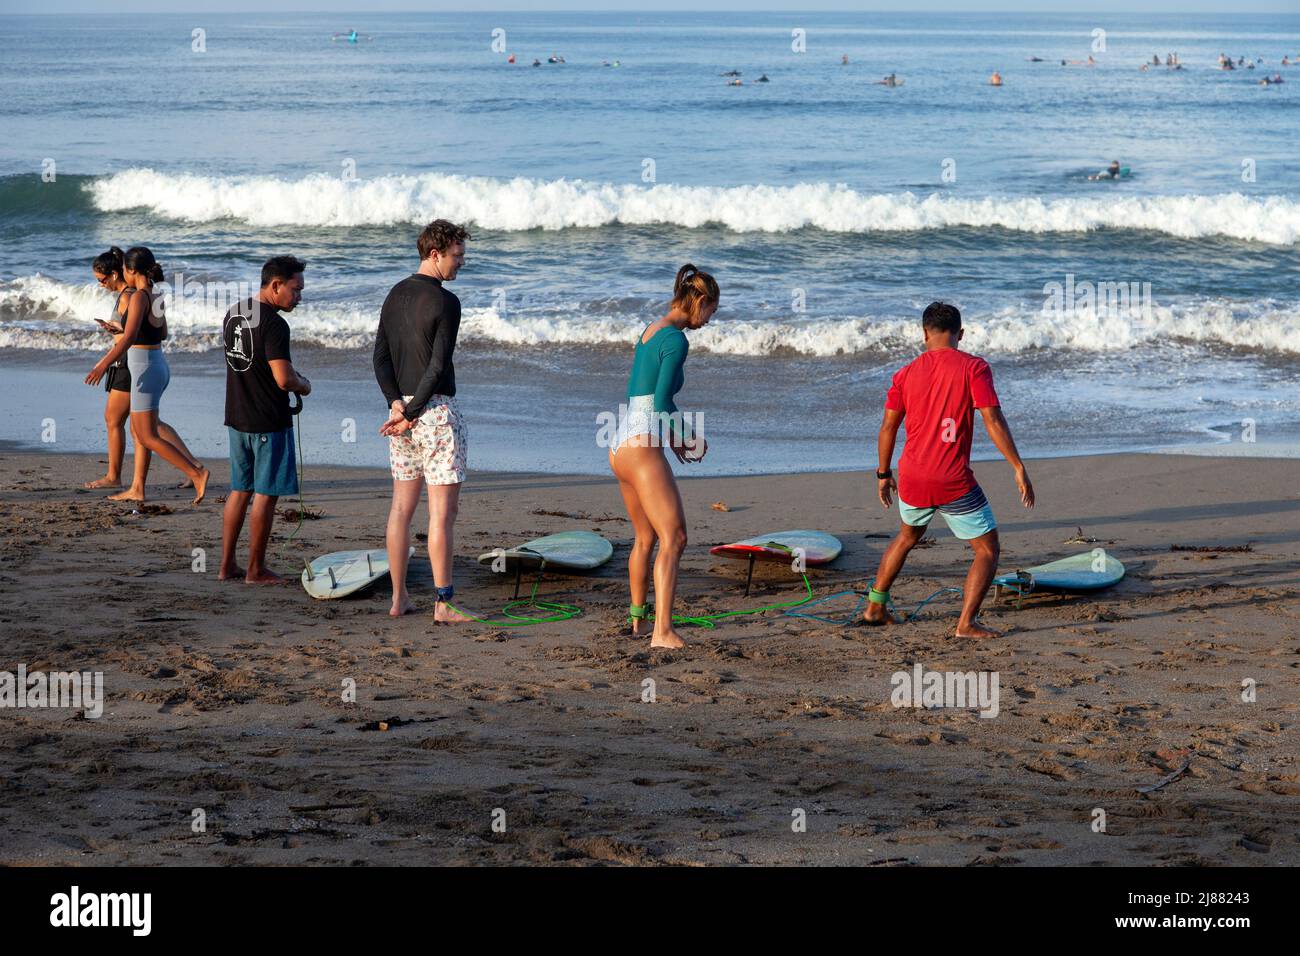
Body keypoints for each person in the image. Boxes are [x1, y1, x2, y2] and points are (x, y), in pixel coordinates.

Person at [863, 302, 1034, 639]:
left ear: (924, 334)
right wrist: (1017, 466)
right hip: (952, 480)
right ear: (961, 334)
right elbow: (992, 418)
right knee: (987, 549)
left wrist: (883, 475)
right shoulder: (974, 367)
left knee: (907, 537)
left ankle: (874, 607)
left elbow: (887, 427)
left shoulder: (905, 373)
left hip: (911, 476)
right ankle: (966, 623)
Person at [608, 264, 715, 649]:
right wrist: (691, 437)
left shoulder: (651, 330)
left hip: (620, 445)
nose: (708, 321)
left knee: (644, 537)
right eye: (711, 312)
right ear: (699, 301)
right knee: (676, 538)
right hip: (640, 448)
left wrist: (670, 441)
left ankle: (638, 621)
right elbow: (663, 400)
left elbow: (644, 399)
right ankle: (663, 632)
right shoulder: (677, 340)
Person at [374, 219, 471, 620]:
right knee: (441, 515)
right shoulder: (446, 301)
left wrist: (397, 406)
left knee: (400, 509)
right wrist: (414, 413)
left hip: (400, 414)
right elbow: (437, 366)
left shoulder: (395, 294)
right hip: (434, 414)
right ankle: (443, 602)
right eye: (457, 256)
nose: (460, 264)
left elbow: (380, 358)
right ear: (436, 254)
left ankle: (399, 599)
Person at [84, 246, 209, 505]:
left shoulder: (140, 296)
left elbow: (128, 338)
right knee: (143, 432)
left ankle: (196, 472)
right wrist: (129, 327)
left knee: (147, 435)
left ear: (130, 271)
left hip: (143, 367)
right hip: (158, 364)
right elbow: (161, 333)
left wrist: (103, 365)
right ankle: (137, 489)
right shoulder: (157, 294)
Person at [218, 256, 311, 584]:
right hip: (266, 420)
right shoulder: (274, 324)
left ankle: (226, 565)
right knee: (266, 493)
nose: (298, 297)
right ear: (275, 285)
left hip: (237, 415)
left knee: (239, 490)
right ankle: (255, 569)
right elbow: (283, 378)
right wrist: (304, 384)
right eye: (295, 289)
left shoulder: (234, 312)